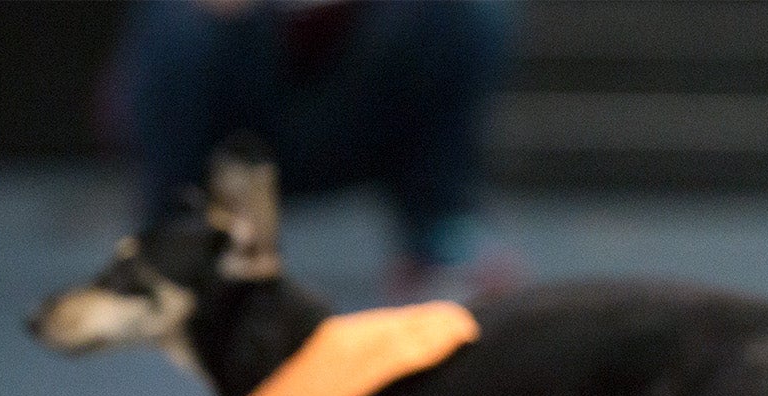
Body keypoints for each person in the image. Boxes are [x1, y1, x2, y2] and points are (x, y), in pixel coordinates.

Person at [115, 0, 518, 298]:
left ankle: (438, 229)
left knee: (466, 14)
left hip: (355, 101)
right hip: (239, 109)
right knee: (184, 29)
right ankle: (176, 236)